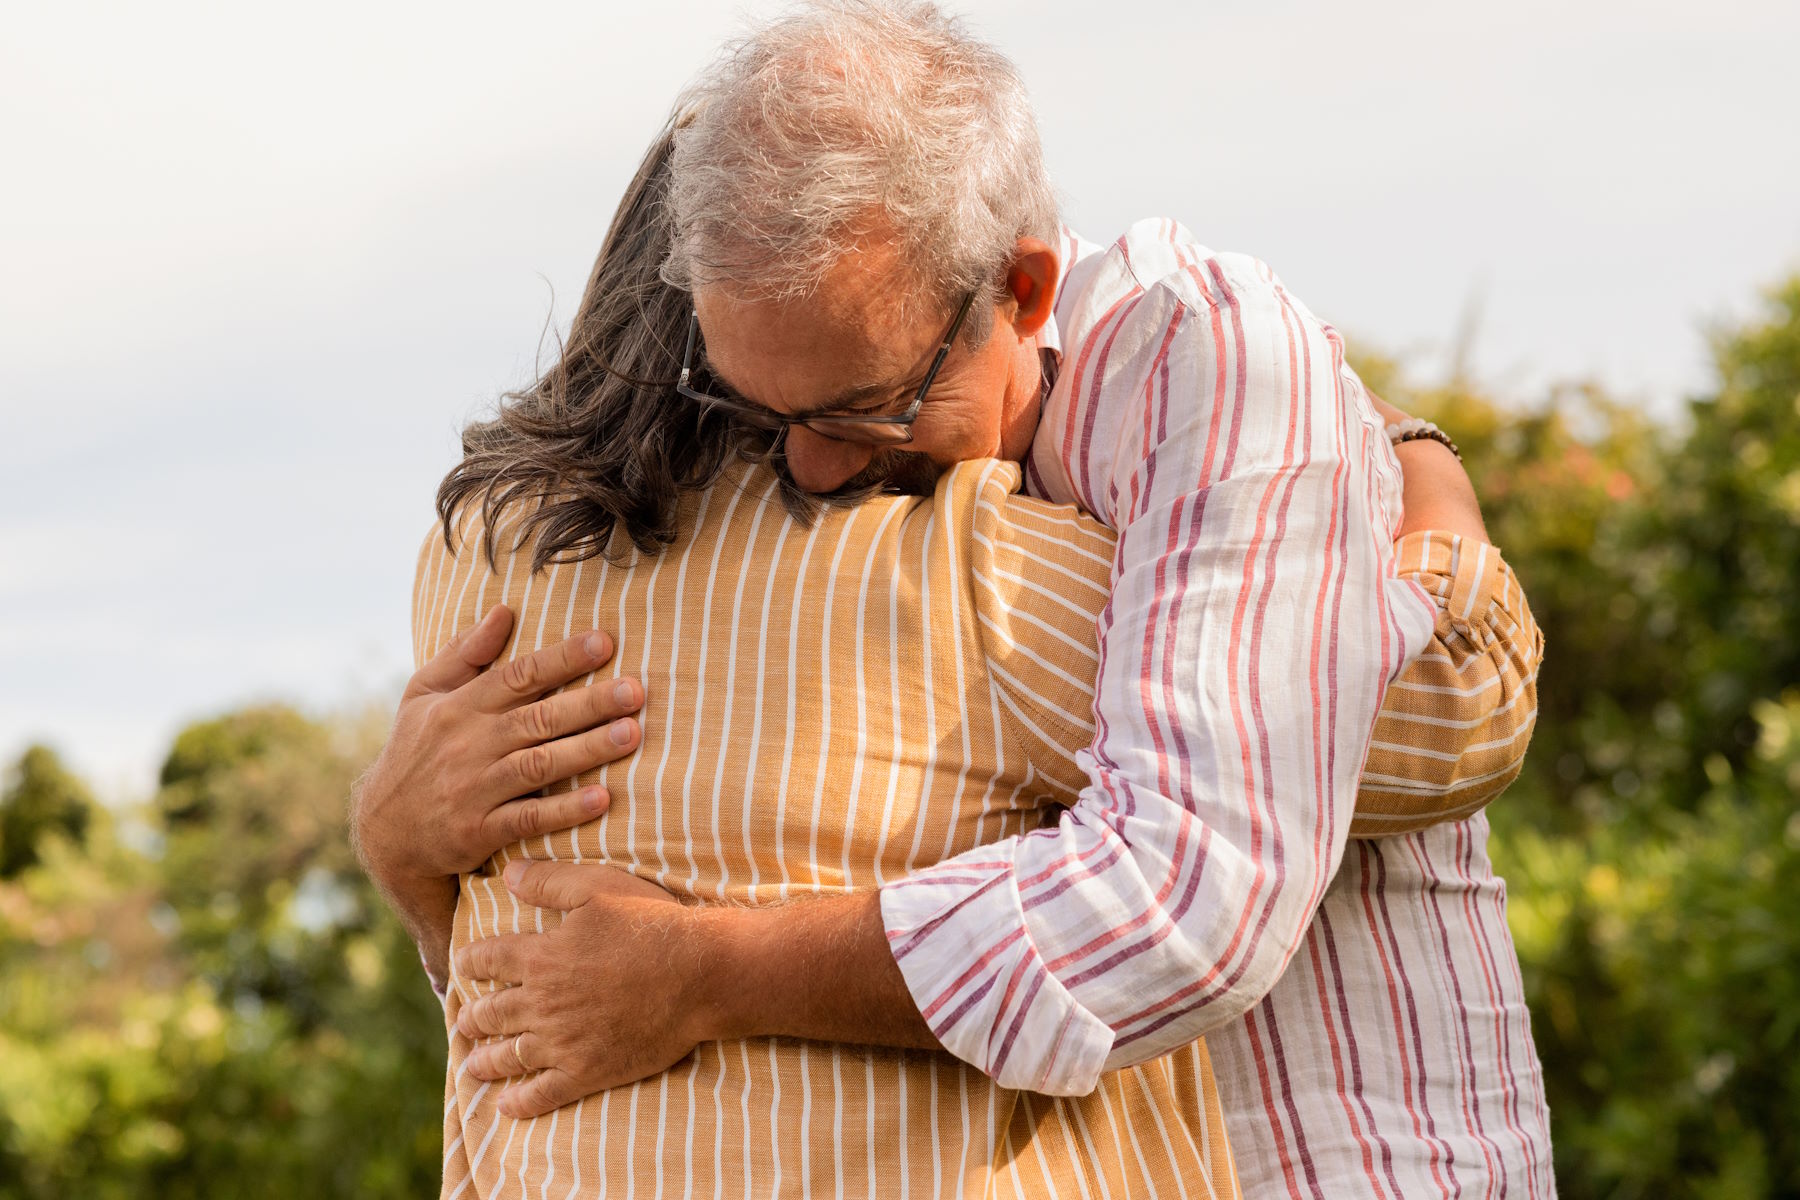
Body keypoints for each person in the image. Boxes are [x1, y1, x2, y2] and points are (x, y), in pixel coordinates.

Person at [354, 3, 1552, 1195]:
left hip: (1360, 1154)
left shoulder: (1204, 376)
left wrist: (707, 969)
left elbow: (1226, 868)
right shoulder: (914, 554)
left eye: (861, 406)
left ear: (1024, 291)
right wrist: (406, 856)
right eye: (761, 414)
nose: (808, 475)